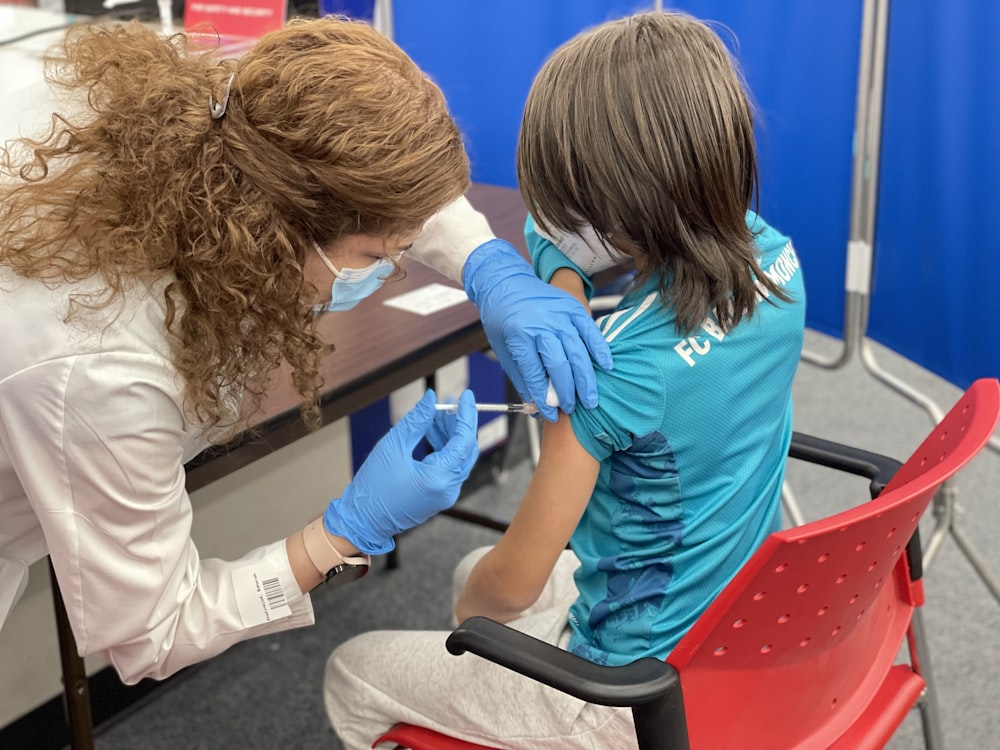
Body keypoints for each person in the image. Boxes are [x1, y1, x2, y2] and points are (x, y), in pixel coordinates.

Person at [0, 17, 611, 683]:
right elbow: (152, 632)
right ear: (272, 223)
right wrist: (341, 534)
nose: (394, 268)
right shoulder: (103, 366)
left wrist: (487, 263)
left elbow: (366, 180)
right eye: (378, 256)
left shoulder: (244, 123)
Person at [324, 10, 807, 749]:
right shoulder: (775, 259)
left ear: (613, 205)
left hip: (624, 696)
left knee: (362, 663)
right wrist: (561, 292)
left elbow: (509, 588)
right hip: (733, 621)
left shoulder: (607, 382)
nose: (554, 217)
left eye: (568, 195)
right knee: (464, 568)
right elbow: (549, 237)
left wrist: (472, 627)